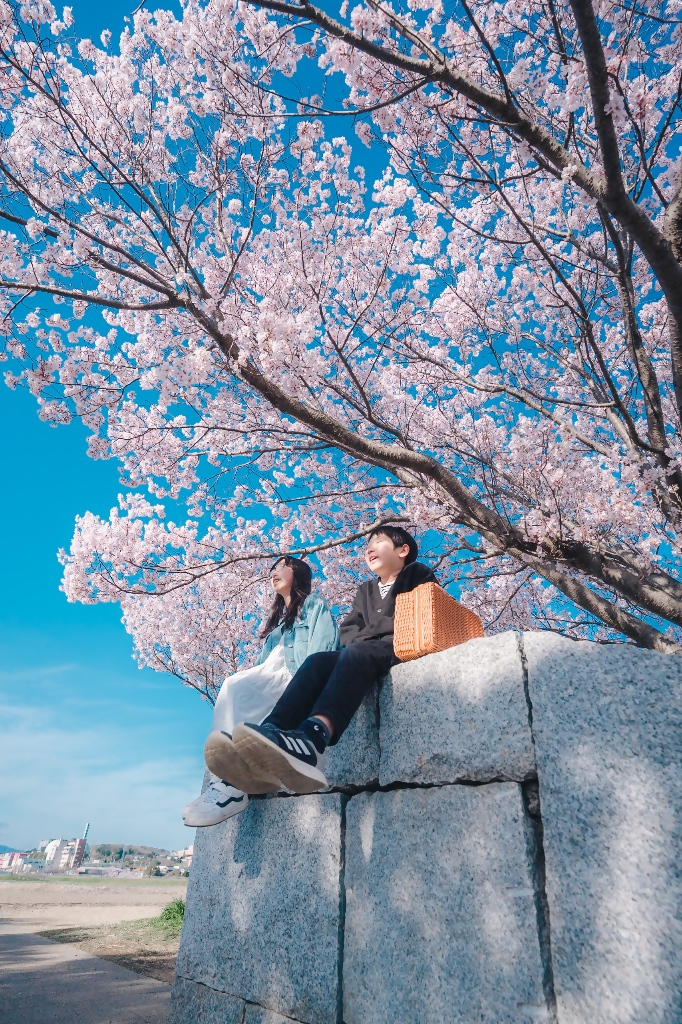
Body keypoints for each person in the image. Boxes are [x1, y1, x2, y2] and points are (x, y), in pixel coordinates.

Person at [223, 525, 435, 794]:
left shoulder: (416, 573)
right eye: (368, 545)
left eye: (379, 542)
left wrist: (367, 636)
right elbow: (349, 629)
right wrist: (364, 637)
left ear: (403, 551)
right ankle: (271, 732)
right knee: (318, 661)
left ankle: (313, 735)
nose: (370, 548)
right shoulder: (366, 590)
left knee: (355, 652)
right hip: (363, 651)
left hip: (399, 645)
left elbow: (419, 610)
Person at [183, 556, 339, 827]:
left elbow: (323, 649)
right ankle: (224, 780)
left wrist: (307, 687)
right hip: (269, 676)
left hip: (295, 677)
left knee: (235, 686)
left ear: (298, 573)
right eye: (273, 569)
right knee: (235, 687)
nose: (274, 573)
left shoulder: (314, 605)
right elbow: (261, 665)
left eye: (282, 567)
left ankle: (229, 788)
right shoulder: (278, 627)